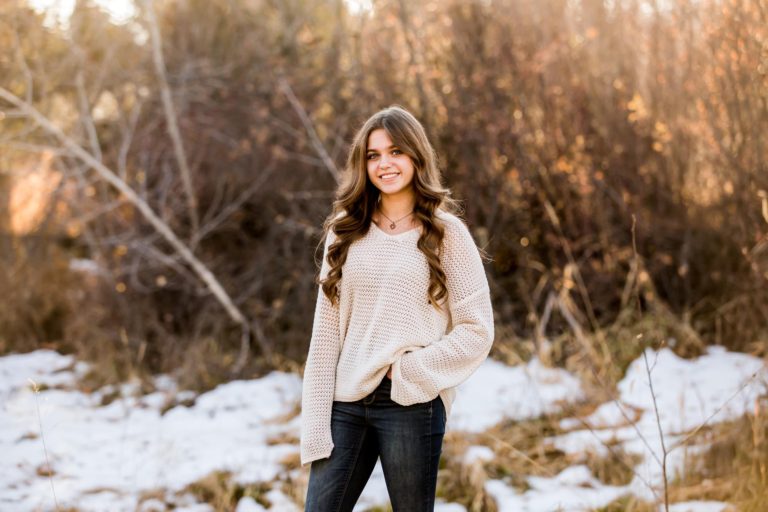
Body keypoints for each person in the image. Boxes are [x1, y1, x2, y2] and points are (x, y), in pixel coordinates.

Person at [300, 105, 494, 511]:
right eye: (373, 155)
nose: (384, 164)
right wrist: (316, 422)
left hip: (409, 402)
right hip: (346, 402)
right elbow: (325, 335)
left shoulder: (447, 233)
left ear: (416, 157)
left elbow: (477, 329)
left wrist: (411, 370)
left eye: (396, 152)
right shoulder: (345, 230)